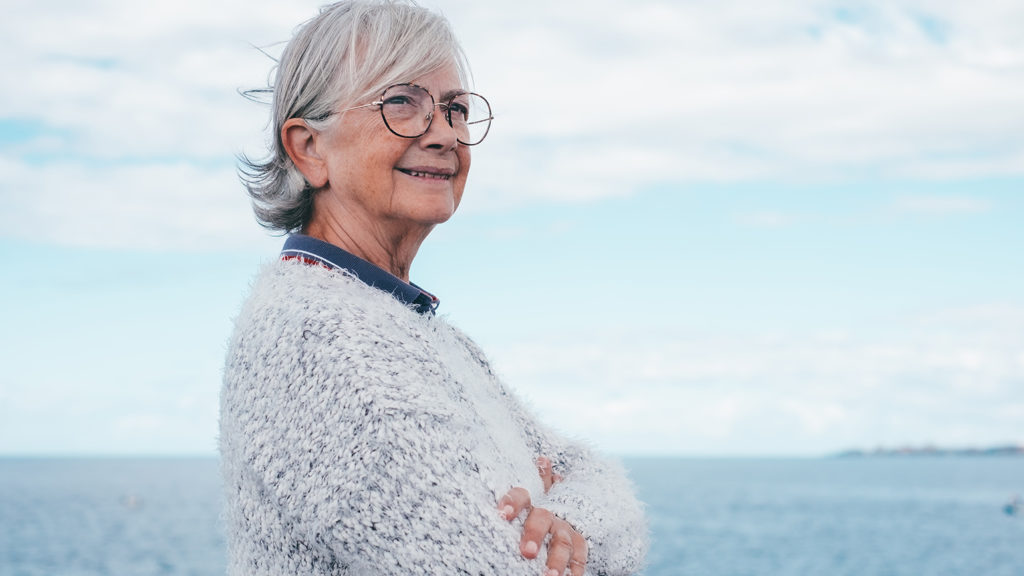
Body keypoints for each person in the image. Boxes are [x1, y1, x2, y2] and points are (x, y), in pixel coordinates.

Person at [219, 2, 649, 575]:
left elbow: (612, 498)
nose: (444, 134)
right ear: (309, 148)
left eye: (455, 109)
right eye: (403, 103)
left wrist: (566, 514)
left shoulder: (415, 329)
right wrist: (544, 508)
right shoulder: (314, 337)